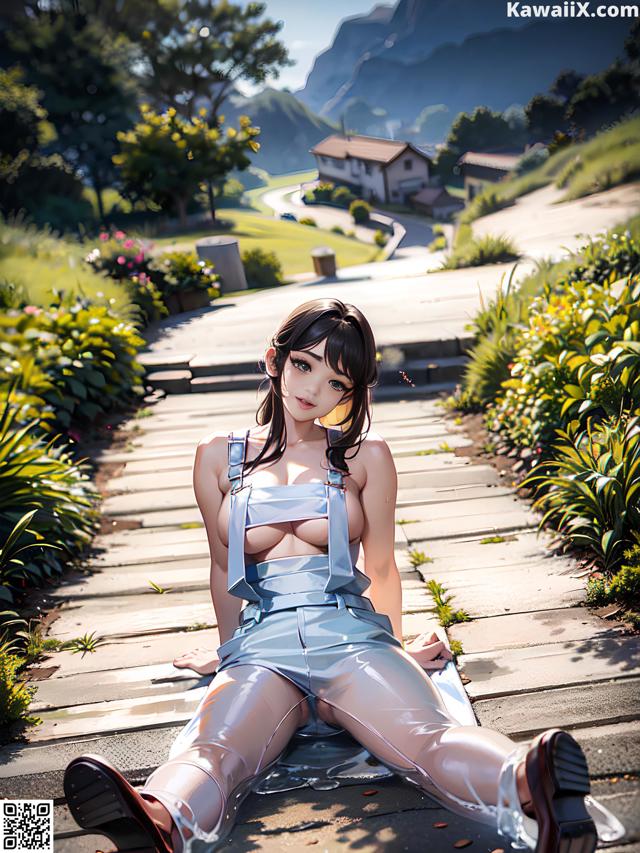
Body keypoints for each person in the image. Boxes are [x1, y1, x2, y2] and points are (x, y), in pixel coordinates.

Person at [64, 298, 614, 853]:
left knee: (426, 737)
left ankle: (532, 779)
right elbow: (219, 564)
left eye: (337, 383)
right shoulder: (215, 457)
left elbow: (379, 564)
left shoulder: (364, 455)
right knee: (214, 749)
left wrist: (397, 648)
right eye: (304, 365)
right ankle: (157, 821)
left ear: (351, 393)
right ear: (273, 360)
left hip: (351, 638)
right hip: (262, 648)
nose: (314, 391)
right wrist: (227, 652)